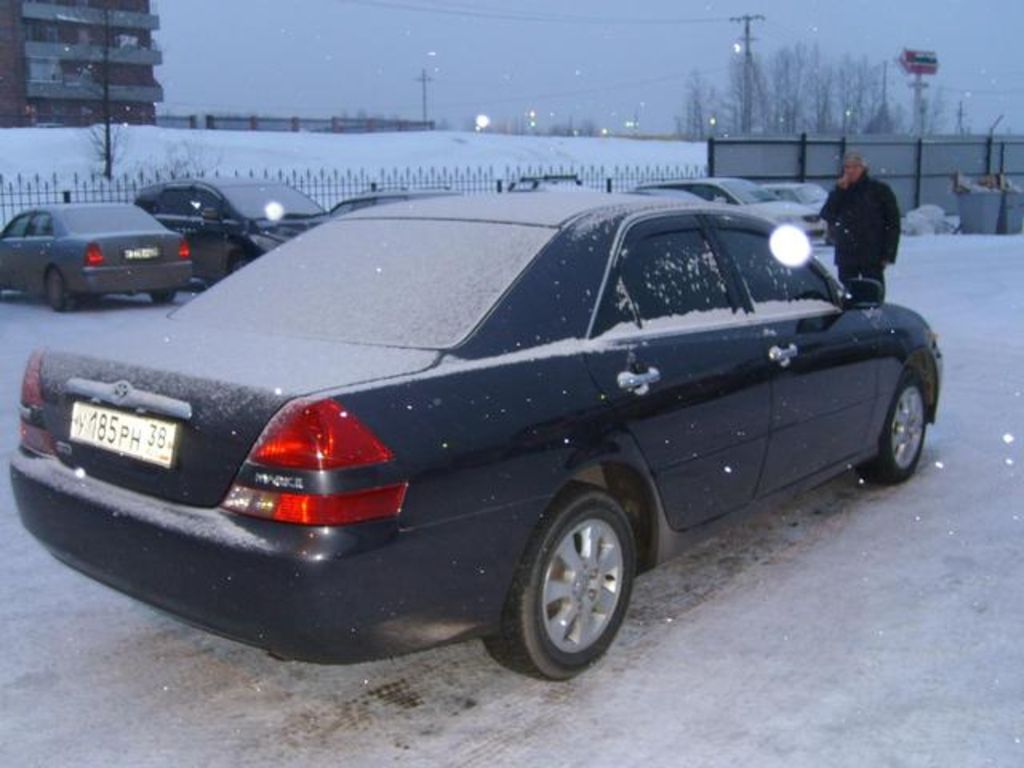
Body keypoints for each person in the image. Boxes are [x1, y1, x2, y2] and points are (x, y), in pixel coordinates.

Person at [820, 151, 901, 293]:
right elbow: (827, 214)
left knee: (873, 292)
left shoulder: (879, 190)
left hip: (872, 254)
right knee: (848, 293)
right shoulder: (841, 191)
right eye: (847, 167)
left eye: (855, 167)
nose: (850, 171)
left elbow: (893, 223)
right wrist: (839, 192)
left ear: (863, 168)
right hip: (847, 254)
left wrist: (888, 253)